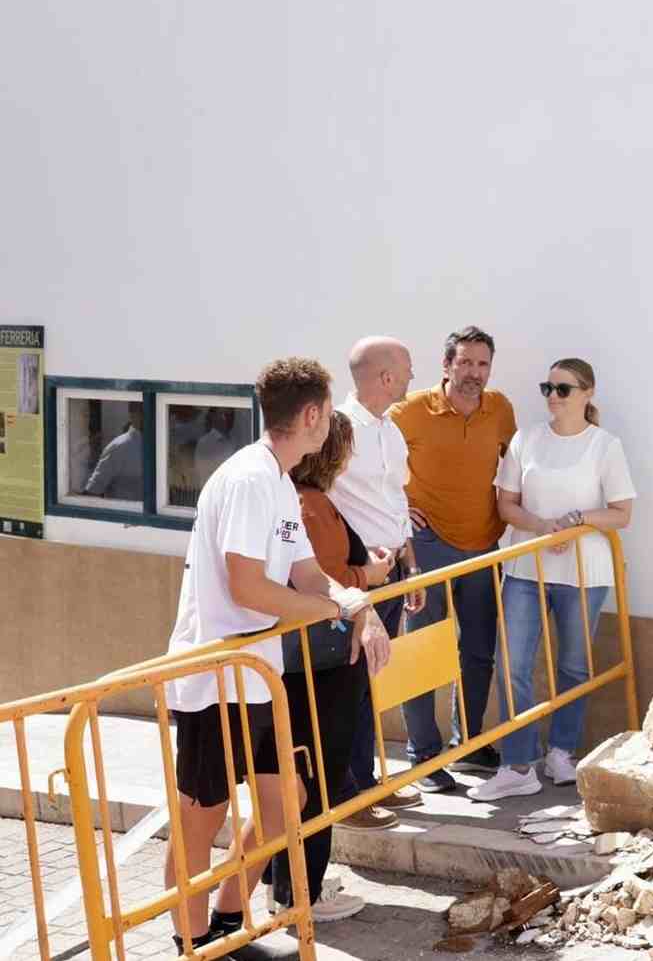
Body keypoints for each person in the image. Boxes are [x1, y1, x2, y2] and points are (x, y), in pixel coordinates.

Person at [161, 358, 390, 953]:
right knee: (199, 822)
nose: (331, 424)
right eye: (329, 411)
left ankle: (228, 924)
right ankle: (192, 944)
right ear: (311, 415)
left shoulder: (280, 481)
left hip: (256, 676)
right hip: (213, 677)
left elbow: (308, 573)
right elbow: (247, 586)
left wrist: (352, 604)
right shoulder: (249, 480)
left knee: (285, 803)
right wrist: (325, 611)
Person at [472, 358, 635, 800]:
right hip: (527, 566)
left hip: (585, 571)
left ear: (587, 393)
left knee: (574, 666)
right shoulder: (527, 439)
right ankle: (517, 763)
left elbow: (622, 513)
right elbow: (507, 504)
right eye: (548, 387)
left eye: (563, 388)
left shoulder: (605, 445)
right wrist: (546, 528)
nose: (553, 396)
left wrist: (575, 520)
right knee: (513, 665)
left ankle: (561, 751)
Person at [262, 411, 395, 921]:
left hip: (304, 661)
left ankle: (289, 887)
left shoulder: (294, 499)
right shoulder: (311, 505)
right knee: (315, 778)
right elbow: (324, 577)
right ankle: (302, 895)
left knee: (297, 778)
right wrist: (371, 572)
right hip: (323, 662)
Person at [390, 326, 516, 791]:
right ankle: (424, 757)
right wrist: (397, 506)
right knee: (422, 653)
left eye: (482, 364)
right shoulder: (410, 412)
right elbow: (364, 464)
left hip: (484, 544)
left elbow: (518, 464)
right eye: (464, 363)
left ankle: (470, 742)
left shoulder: (499, 409)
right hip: (428, 547)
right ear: (446, 365)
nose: (473, 373)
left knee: (479, 651)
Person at [331, 337, 427, 813]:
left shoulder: (391, 429)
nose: (413, 376)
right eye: (407, 368)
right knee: (349, 685)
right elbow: (319, 504)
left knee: (372, 680)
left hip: (391, 577)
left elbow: (395, 500)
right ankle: (349, 791)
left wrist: (411, 564)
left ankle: (366, 782)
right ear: (386, 377)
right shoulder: (337, 431)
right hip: (353, 583)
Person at [83, 404, 144, 500]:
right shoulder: (120, 446)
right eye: (141, 411)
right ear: (132, 414)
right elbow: (93, 490)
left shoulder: (162, 443)